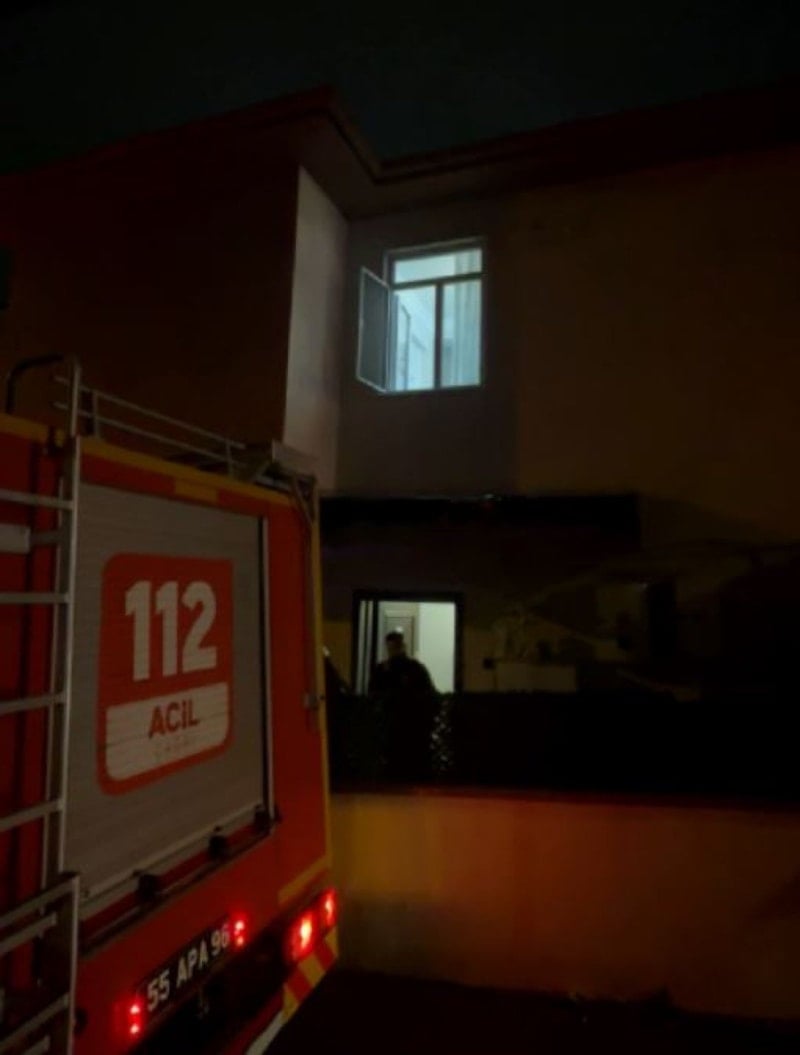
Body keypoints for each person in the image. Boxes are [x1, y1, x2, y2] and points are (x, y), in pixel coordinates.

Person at [369, 631, 436, 781]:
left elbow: (373, 693)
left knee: (397, 755)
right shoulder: (414, 668)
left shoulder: (388, 669)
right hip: (402, 721)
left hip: (401, 721)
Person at [369, 631, 435, 696]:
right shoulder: (382, 669)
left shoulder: (416, 668)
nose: (395, 651)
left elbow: (429, 692)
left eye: (397, 647)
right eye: (393, 648)